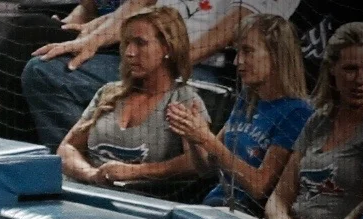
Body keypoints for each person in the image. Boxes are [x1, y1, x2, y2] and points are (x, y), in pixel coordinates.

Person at [22, 0, 301, 150]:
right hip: (145, 51)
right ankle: (81, 167)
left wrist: (174, 60)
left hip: (205, 70)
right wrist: (91, 40)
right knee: (44, 68)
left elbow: (238, 24)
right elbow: (139, 4)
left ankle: (102, 173)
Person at [266, 22, 363, 219]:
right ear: (332, 69)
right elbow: (279, 196)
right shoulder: (318, 120)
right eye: (350, 69)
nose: (359, 80)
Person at [166, 13, 312, 216]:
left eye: (248, 51)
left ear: (276, 55)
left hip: (248, 216)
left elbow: (259, 187)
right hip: (215, 206)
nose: (237, 61)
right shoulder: (247, 99)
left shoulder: (297, 112)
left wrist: (206, 138)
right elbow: (206, 167)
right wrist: (192, 135)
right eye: (237, 52)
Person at [56, 7, 203, 189]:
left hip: (139, 199)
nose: (129, 52)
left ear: (167, 48)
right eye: (127, 43)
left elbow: (197, 163)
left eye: (140, 43)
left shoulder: (184, 99)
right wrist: (92, 174)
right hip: (85, 190)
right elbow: (66, 149)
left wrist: (136, 172)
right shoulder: (109, 92)